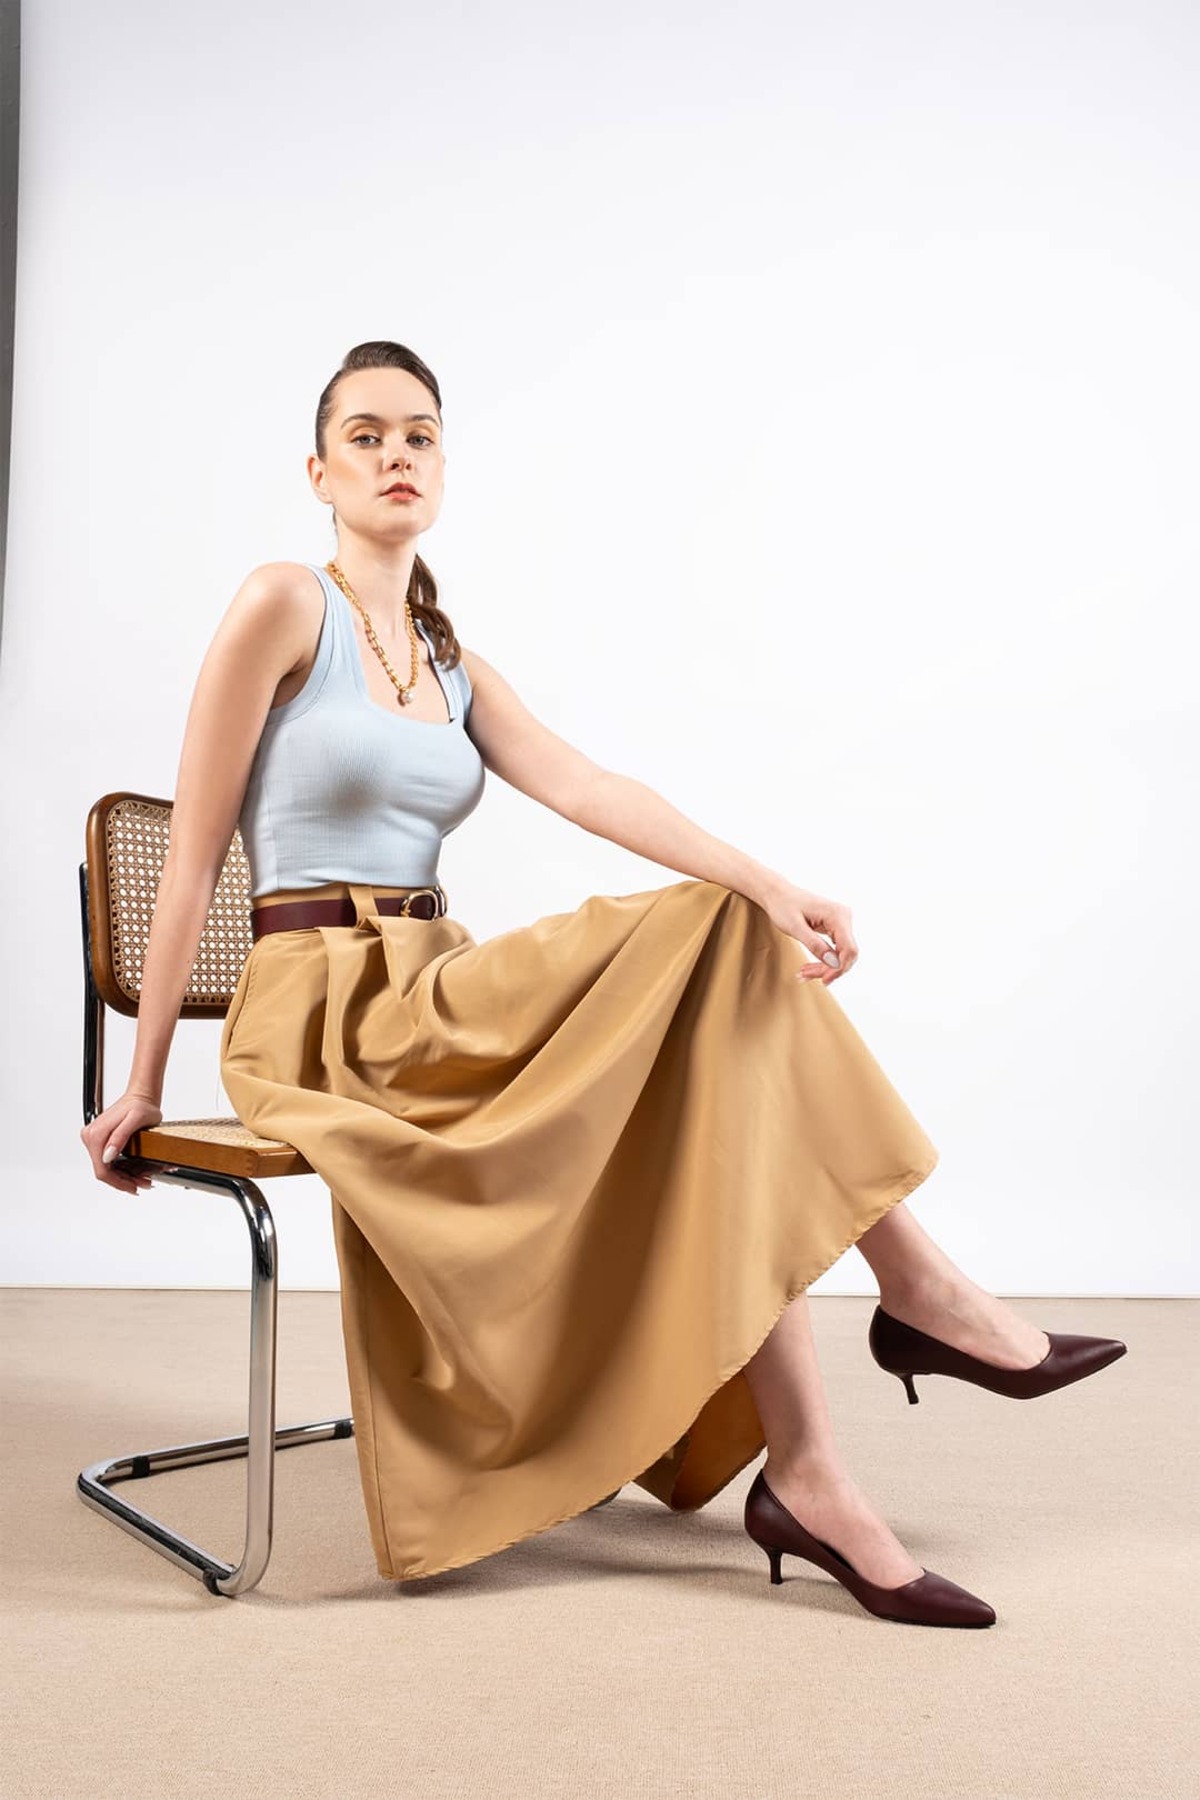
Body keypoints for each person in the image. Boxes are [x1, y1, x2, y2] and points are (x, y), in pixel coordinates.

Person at [80, 339, 1126, 1626]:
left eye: (419, 435)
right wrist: (141, 1088)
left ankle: (815, 1465)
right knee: (718, 950)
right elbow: (193, 860)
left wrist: (772, 882)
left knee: (723, 1005)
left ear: (444, 466)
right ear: (318, 471)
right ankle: (916, 1294)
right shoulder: (281, 603)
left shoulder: (450, 659)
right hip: (327, 1015)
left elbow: (588, 787)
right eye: (366, 435)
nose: (396, 454)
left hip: (433, 986)